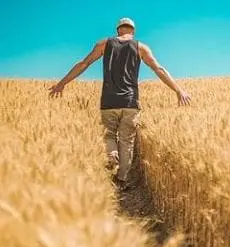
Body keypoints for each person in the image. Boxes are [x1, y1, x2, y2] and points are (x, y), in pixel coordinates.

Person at [48, 17, 191, 191]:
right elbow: (158, 70)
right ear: (133, 31)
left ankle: (112, 154)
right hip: (130, 102)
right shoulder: (141, 47)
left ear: (118, 30)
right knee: (127, 141)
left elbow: (84, 63)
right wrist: (178, 90)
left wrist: (62, 83)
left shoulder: (104, 44)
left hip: (109, 101)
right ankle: (121, 179)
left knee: (109, 136)